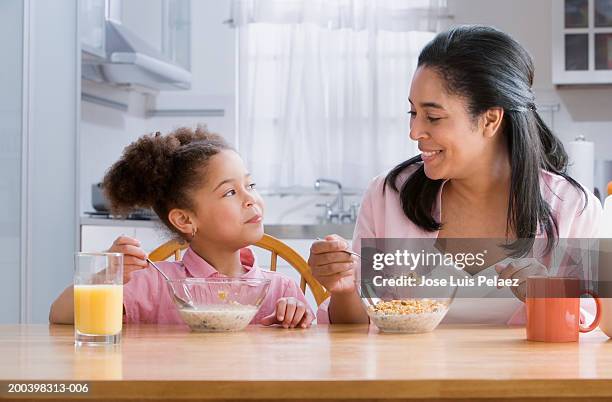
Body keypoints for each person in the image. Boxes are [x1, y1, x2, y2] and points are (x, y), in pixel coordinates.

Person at [308, 25, 602, 325]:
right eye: (413, 113)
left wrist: (551, 298)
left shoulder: (573, 208)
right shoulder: (387, 196)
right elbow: (354, 330)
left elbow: (595, 333)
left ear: (490, 120)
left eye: (433, 117)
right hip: (406, 373)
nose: (414, 132)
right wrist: (344, 291)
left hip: (528, 374)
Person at [50, 127, 314, 329]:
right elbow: (60, 316)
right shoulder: (153, 284)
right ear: (185, 220)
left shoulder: (280, 289)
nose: (250, 199)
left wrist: (295, 316)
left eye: (250, 185)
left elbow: (307, 349)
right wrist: (110, 274)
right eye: (231, 191)